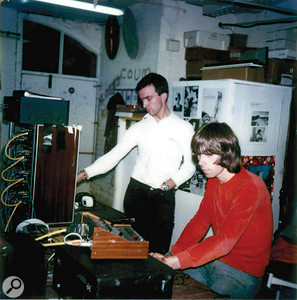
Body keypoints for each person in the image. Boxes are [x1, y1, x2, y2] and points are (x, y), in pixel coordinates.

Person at [77, 73, 195, 254]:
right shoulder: (139, 128)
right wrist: (83, 174)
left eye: (148, 98)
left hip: (163, 197)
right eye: (142, 100)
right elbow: (113, 156)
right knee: (132, 249)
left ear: (163, 96)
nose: (144, 105)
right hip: (136, 194)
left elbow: (190, 165)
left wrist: (168, 185)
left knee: (158, 252)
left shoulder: (184, 128)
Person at [152, 122, 273, 298]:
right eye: (199, 155)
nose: (201, 162)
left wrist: (176, 262)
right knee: (167, 288)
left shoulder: (251, 186)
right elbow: (200, 222)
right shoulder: (214, 180)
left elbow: (225, 241)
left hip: (243, 272)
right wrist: (171, 255)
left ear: (226, 153)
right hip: (214, 262)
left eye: (208, 155)